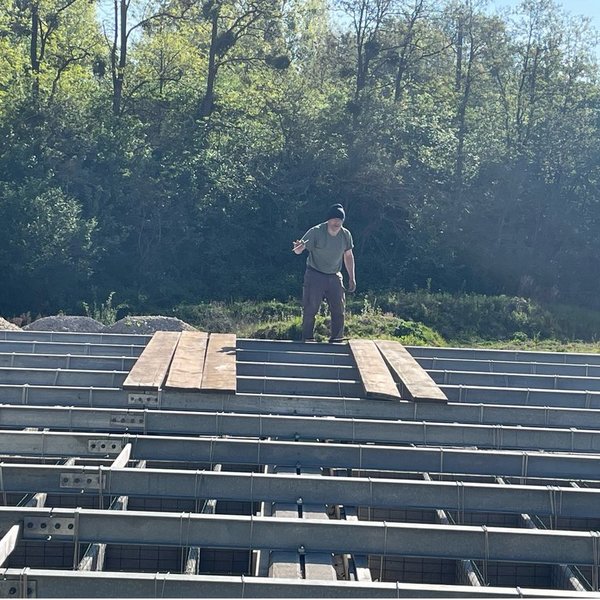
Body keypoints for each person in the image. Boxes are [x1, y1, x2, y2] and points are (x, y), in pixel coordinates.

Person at [292, 203, 356, 342]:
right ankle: (307, 337)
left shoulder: (346, 234)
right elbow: (298, 250)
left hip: (335, 274)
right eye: (334, 219)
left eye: (339, 220)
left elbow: (348, 256)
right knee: (311, 307)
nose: (336, 223)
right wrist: (298, 248)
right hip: (315, 273)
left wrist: (352, 277)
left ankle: (337, 338)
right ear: (328, 219)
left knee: (339, 309)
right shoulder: (316, 232)